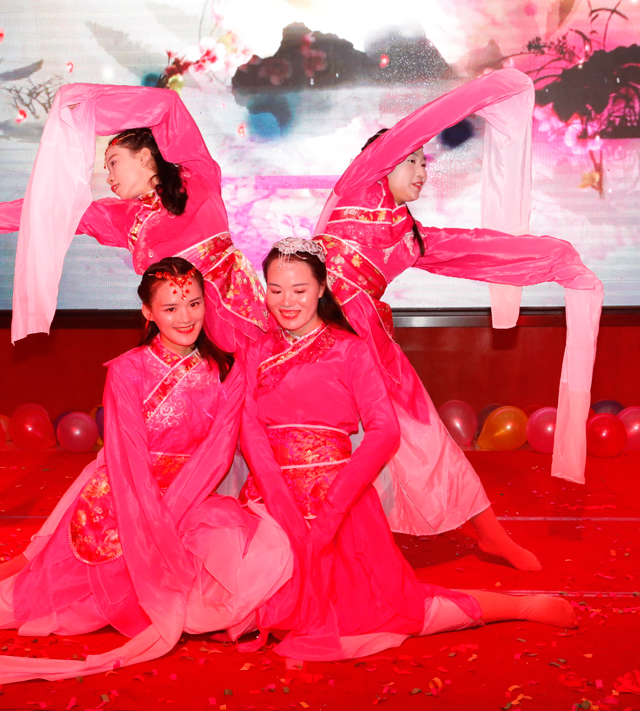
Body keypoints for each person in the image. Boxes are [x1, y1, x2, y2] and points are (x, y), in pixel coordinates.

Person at [0, 258, 291, 685]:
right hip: (122, 502)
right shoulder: (127, 371)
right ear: (148, 312)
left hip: (191, 499)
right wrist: (152, 522)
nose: (186, 317)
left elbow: (217, 452)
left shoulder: (223, 371)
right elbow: (127, 454)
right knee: (25, 604)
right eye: (171, 307)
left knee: (249, 547)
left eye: (193, 304)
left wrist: (172, 513)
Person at [310, 68, 605, 569]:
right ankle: (318, 542)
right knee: (306, 438)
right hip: (315, 335)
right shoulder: (360, 182)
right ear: (380, 160)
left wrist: (557, 259)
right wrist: (490, 90)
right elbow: (422, 124)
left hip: (370, 345)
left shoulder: (410, 236)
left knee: (427, 440)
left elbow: (475, 250)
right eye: (411, 160)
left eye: (425, 162)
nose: (421, 171)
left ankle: (490, 535)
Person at [237, 239, 577, 662]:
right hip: (269, 504)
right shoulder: (255, 351)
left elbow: (384, 431)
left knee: (387, 612)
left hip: (338, 502)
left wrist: (333, 508)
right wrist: (276, 496)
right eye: (275, 289)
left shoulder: (350, 350)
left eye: (299, 289)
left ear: (321, 288)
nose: (286, 301)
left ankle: (519, 607)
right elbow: (248, 426)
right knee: (246, 607)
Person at [0, 84, 271, 453]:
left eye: (113, 162)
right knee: (190, 432)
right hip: (178, 331)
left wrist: (81, 108)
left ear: (145, 156)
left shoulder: (198, 178)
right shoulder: (121, 217)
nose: (108, 176)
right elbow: (40, 210)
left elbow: (167, 105)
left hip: (234, 316)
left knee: (256, 415)